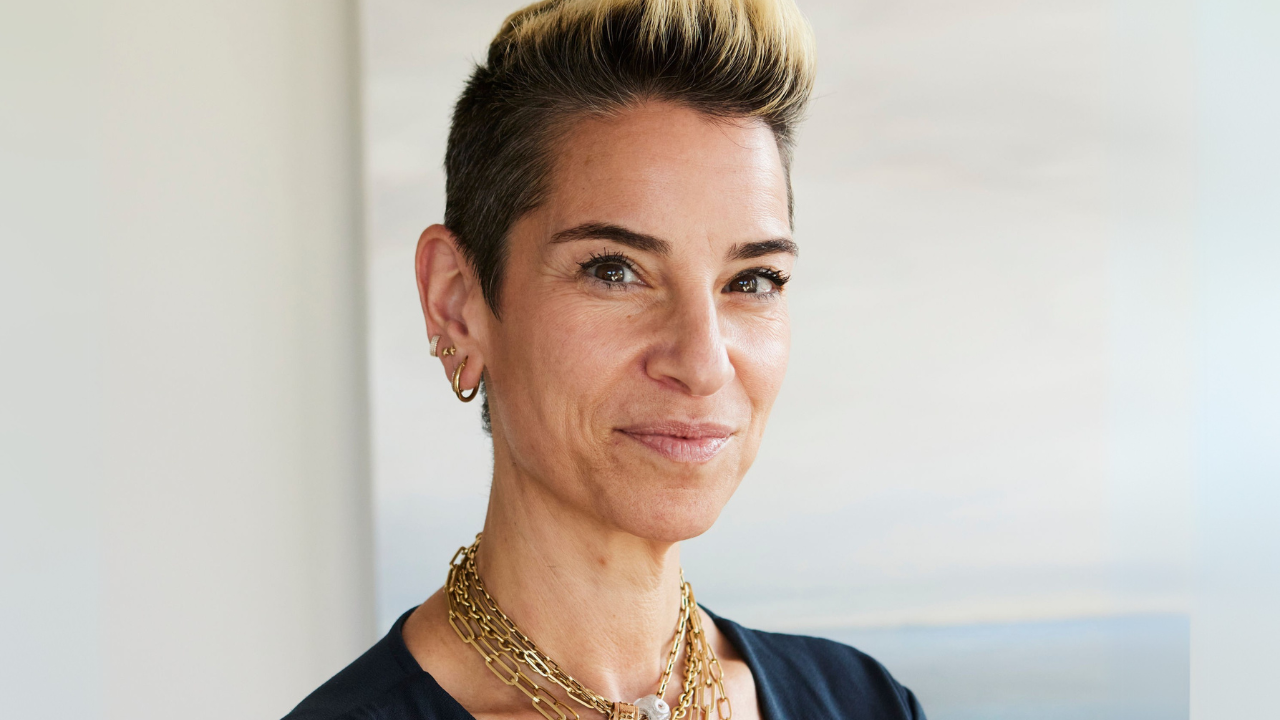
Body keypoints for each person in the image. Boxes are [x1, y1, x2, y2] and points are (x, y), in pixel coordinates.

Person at [285, 0, 925, 718]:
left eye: (752, 280)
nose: (703, 363)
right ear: (457, 304)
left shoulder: (865, 703)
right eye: (614, 271)